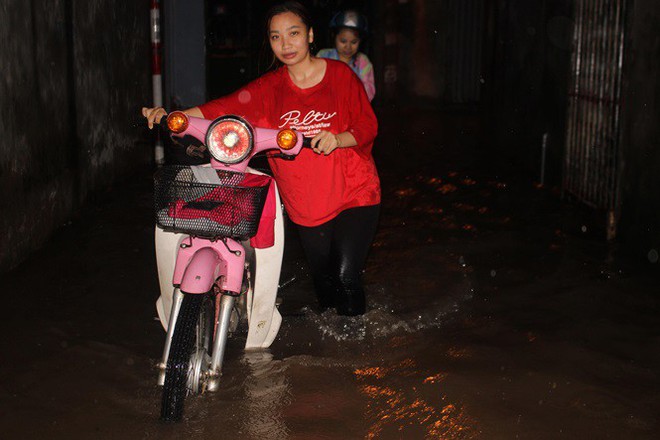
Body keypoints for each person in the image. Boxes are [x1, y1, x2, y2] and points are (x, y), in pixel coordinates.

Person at [142, 1, 380, 317]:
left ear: (310, 35)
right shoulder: (269, 88)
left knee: (346, 278)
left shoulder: (340, 76)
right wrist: (170, 116)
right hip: (306, 202)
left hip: (355, 192)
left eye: (293, 33)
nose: (286, 44)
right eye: (276, 37)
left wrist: (338, 139)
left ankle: (355, 354)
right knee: (324, 284)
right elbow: (219, 108)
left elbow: (367, 124)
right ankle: (331, 348)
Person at [317, 10, 375, 101]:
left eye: (354, 42)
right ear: (334, 37)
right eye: (343, 41)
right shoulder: (323, 56)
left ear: (360, 41)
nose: (348, 47)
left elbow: (368, 92)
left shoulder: (363, 62)